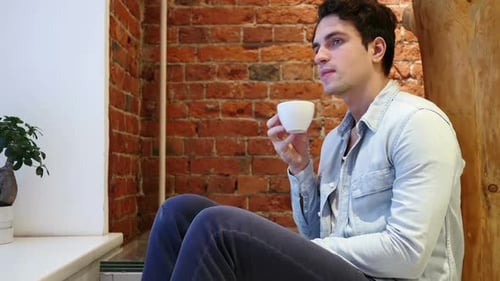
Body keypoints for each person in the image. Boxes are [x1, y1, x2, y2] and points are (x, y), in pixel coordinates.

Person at [141, 0, 465, 280]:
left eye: (335, 42)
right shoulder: (337, 141)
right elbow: (317, 235)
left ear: (376, 49)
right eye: (316, 48)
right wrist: (300, 170)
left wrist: (309, 249)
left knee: (218, 228)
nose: (320, 56)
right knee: (178, 212)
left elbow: (407, 253)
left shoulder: (418, 123)